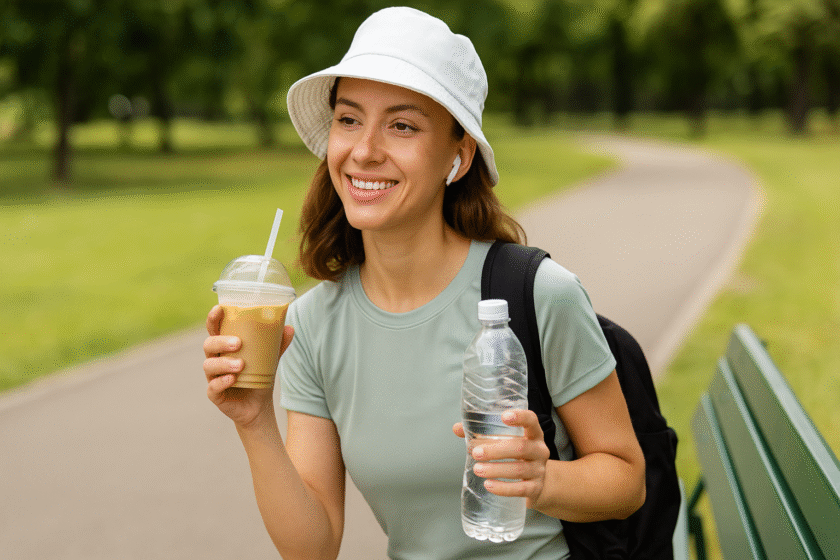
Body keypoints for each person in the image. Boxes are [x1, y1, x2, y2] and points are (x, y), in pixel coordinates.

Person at [202, 7, 645, 559]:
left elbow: (626, 480)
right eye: (348, 119)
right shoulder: (309, 326)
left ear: (457, 158)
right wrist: (254, 421)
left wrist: (543, 480)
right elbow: (311, 548)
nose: (364, 150)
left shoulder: (538, 293)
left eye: (402, 125)